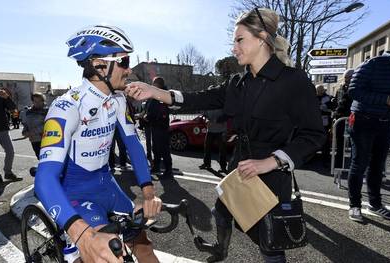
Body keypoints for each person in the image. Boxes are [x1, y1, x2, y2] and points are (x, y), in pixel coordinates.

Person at [126, 8, 325, 263]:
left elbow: (313, 135)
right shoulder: (238, 83)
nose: (234, 47)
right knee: (220, 210)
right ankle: (221, 250)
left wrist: (271, 162)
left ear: (262, 37)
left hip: (271, 178)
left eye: (239, 39)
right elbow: (199, 98)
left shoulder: (293, 80)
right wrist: (154, 92)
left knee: (270, 244)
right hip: (239, 170)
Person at [34, 25, 162, 263]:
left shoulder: (118, 100)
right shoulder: (65, 107)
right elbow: (43, 180)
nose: (129, 68)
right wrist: (81, 233)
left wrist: (148, 192)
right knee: (105, 256)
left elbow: (133, 145)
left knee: (144, 249)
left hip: (107, 186)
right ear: (100, 66)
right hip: (76, 193)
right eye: (123, 61)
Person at [346, 45, 390, 223]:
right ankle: (354, 205)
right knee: (359, 164)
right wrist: (388, 100)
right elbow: (354, 90)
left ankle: (375, 204)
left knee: (378, 166)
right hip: (363, 120)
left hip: (386, 122)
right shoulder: (374, 63)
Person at [146, 77, 173, 179]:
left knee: (164, 149)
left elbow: (160, 113)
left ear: (158, 85)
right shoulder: (156, 94)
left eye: (154, 83)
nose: (152, 85)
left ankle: (168, 170)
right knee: (156, 148)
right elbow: (151, 109)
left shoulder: (162, 95)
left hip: (161, 127)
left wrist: (148, 117)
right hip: (155, 126)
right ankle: (156, 167)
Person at [333, 69, 354, 169]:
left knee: (354, 144)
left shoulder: (357, 88)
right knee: (339, 144)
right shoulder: (340, 89)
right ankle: (338, 166)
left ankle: (353, 167)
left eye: (349, 77)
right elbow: (337, 103)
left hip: (352, 119)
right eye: (345, 77)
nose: (346, 80)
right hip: (340, 120)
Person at [199, 108, 228, 173]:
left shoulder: (221, 103)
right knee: (207, 147)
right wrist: (206, 119)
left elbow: (226, 116)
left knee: (222, 149)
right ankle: (207, 164)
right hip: (210, 130)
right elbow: (204, 116)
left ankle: (223, 167)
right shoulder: (208, 105)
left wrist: (216, 120)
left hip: (221, 130)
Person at [22, 92, 48, 159]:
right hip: (34, 140)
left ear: (43, 101)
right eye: (35, 101)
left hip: (46, 139)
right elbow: (27, 124)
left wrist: (34, 131)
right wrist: (25, 132)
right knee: (39, 157)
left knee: (47, 158)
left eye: (40, 101)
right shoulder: (28, 112)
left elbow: (48, 125)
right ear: (32, 101)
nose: (37, 103)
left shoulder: (47, 111)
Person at [316, 85, 334, 164]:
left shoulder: (328, 98)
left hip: (325, 122)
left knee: (326, 141)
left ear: (323, 90)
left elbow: (333, 106)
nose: (319, 92)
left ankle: (325, 159)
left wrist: (326, 107)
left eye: (320, 90)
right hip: (315, 121)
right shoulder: (313, 97)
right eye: (318, 90)